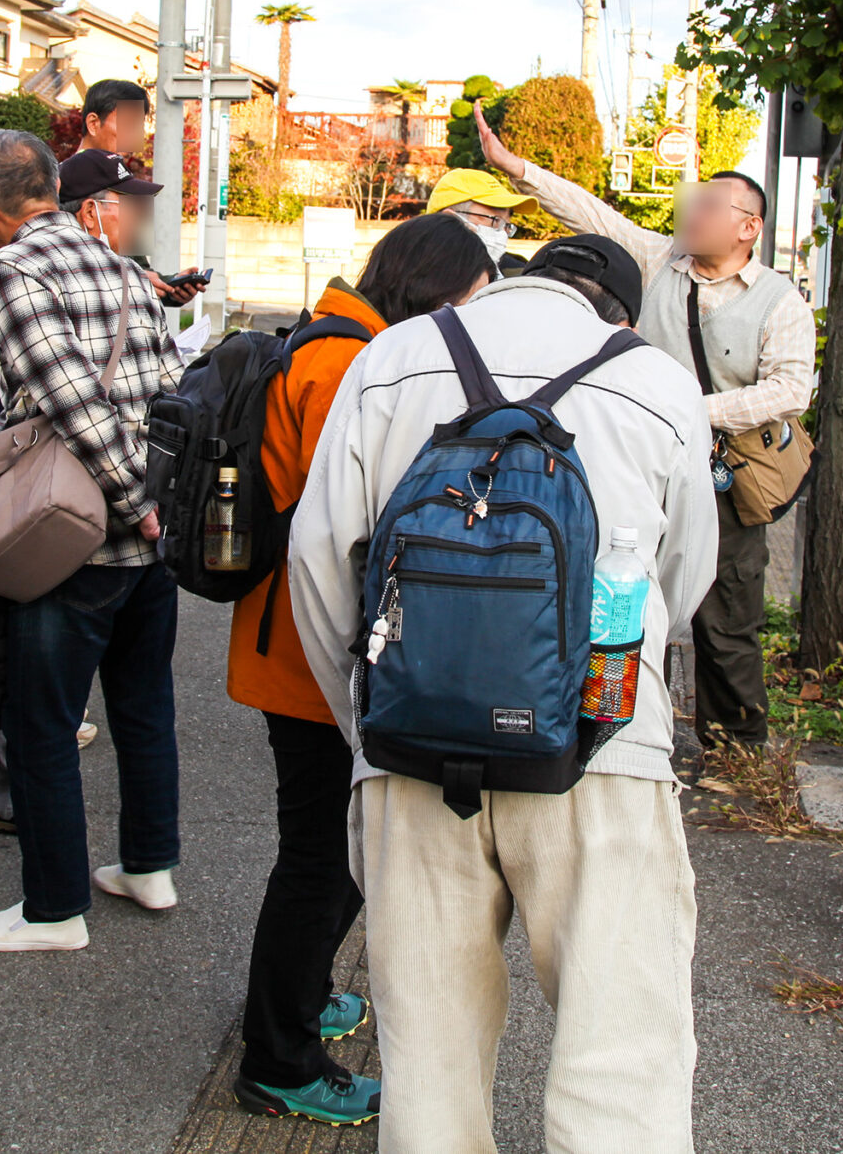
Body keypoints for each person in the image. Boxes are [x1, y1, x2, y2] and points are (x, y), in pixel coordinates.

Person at [284, 233, 717, 1154]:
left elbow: (319, 565)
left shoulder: (391, 358)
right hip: (601, 750)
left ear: (508, 281)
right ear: (620, 314)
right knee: (620, 1059)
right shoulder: (657, 382)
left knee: (428, 1063)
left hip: (413, 750)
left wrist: (371, 724)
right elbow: (686, 578)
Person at [228, 213, 498, 1128]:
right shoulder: (350, 362)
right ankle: (278, 1056)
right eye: (468, 300)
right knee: (323, 861)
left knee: (324, 852)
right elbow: (346, 528)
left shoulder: (340, 337)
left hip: (290, 642)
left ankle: (295, 1001)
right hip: (308, 652)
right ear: (434, 291)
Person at [471, 102, 814, 749]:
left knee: (727, 614)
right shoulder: (661, 260)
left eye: (710, 206)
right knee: (622, 591)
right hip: (642, 462)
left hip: (730, 479)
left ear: (749, 227)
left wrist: (692, 409)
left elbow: (791, 389)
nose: (693, 213)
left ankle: (735, 747)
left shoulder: (779, 299)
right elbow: (586, 212)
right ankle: (622, 727)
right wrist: (515, 168)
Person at [0, 130, 182, 953]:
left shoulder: (12, 270)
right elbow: (170, 394)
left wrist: (131, 504)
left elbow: (72, 401)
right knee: (144, 704)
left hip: (73, 538)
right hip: (147, 542)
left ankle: (52, 911)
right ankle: (149, 866)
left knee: (41, 721)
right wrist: (157, 504)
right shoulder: (119, 267)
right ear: (54, 187)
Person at [77, 78, 204, 308]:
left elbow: (138, 267)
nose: (136, 137)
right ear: (94, 123)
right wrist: (129, 280)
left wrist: (169, 286)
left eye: (139, 126)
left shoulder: (127, 185)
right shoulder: (59, 182)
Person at [421, 166, 529, 274]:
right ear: (450, 220)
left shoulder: (518, 274)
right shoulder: (410, 276)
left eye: (507, 225)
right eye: (495, 220)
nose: (503, 234)